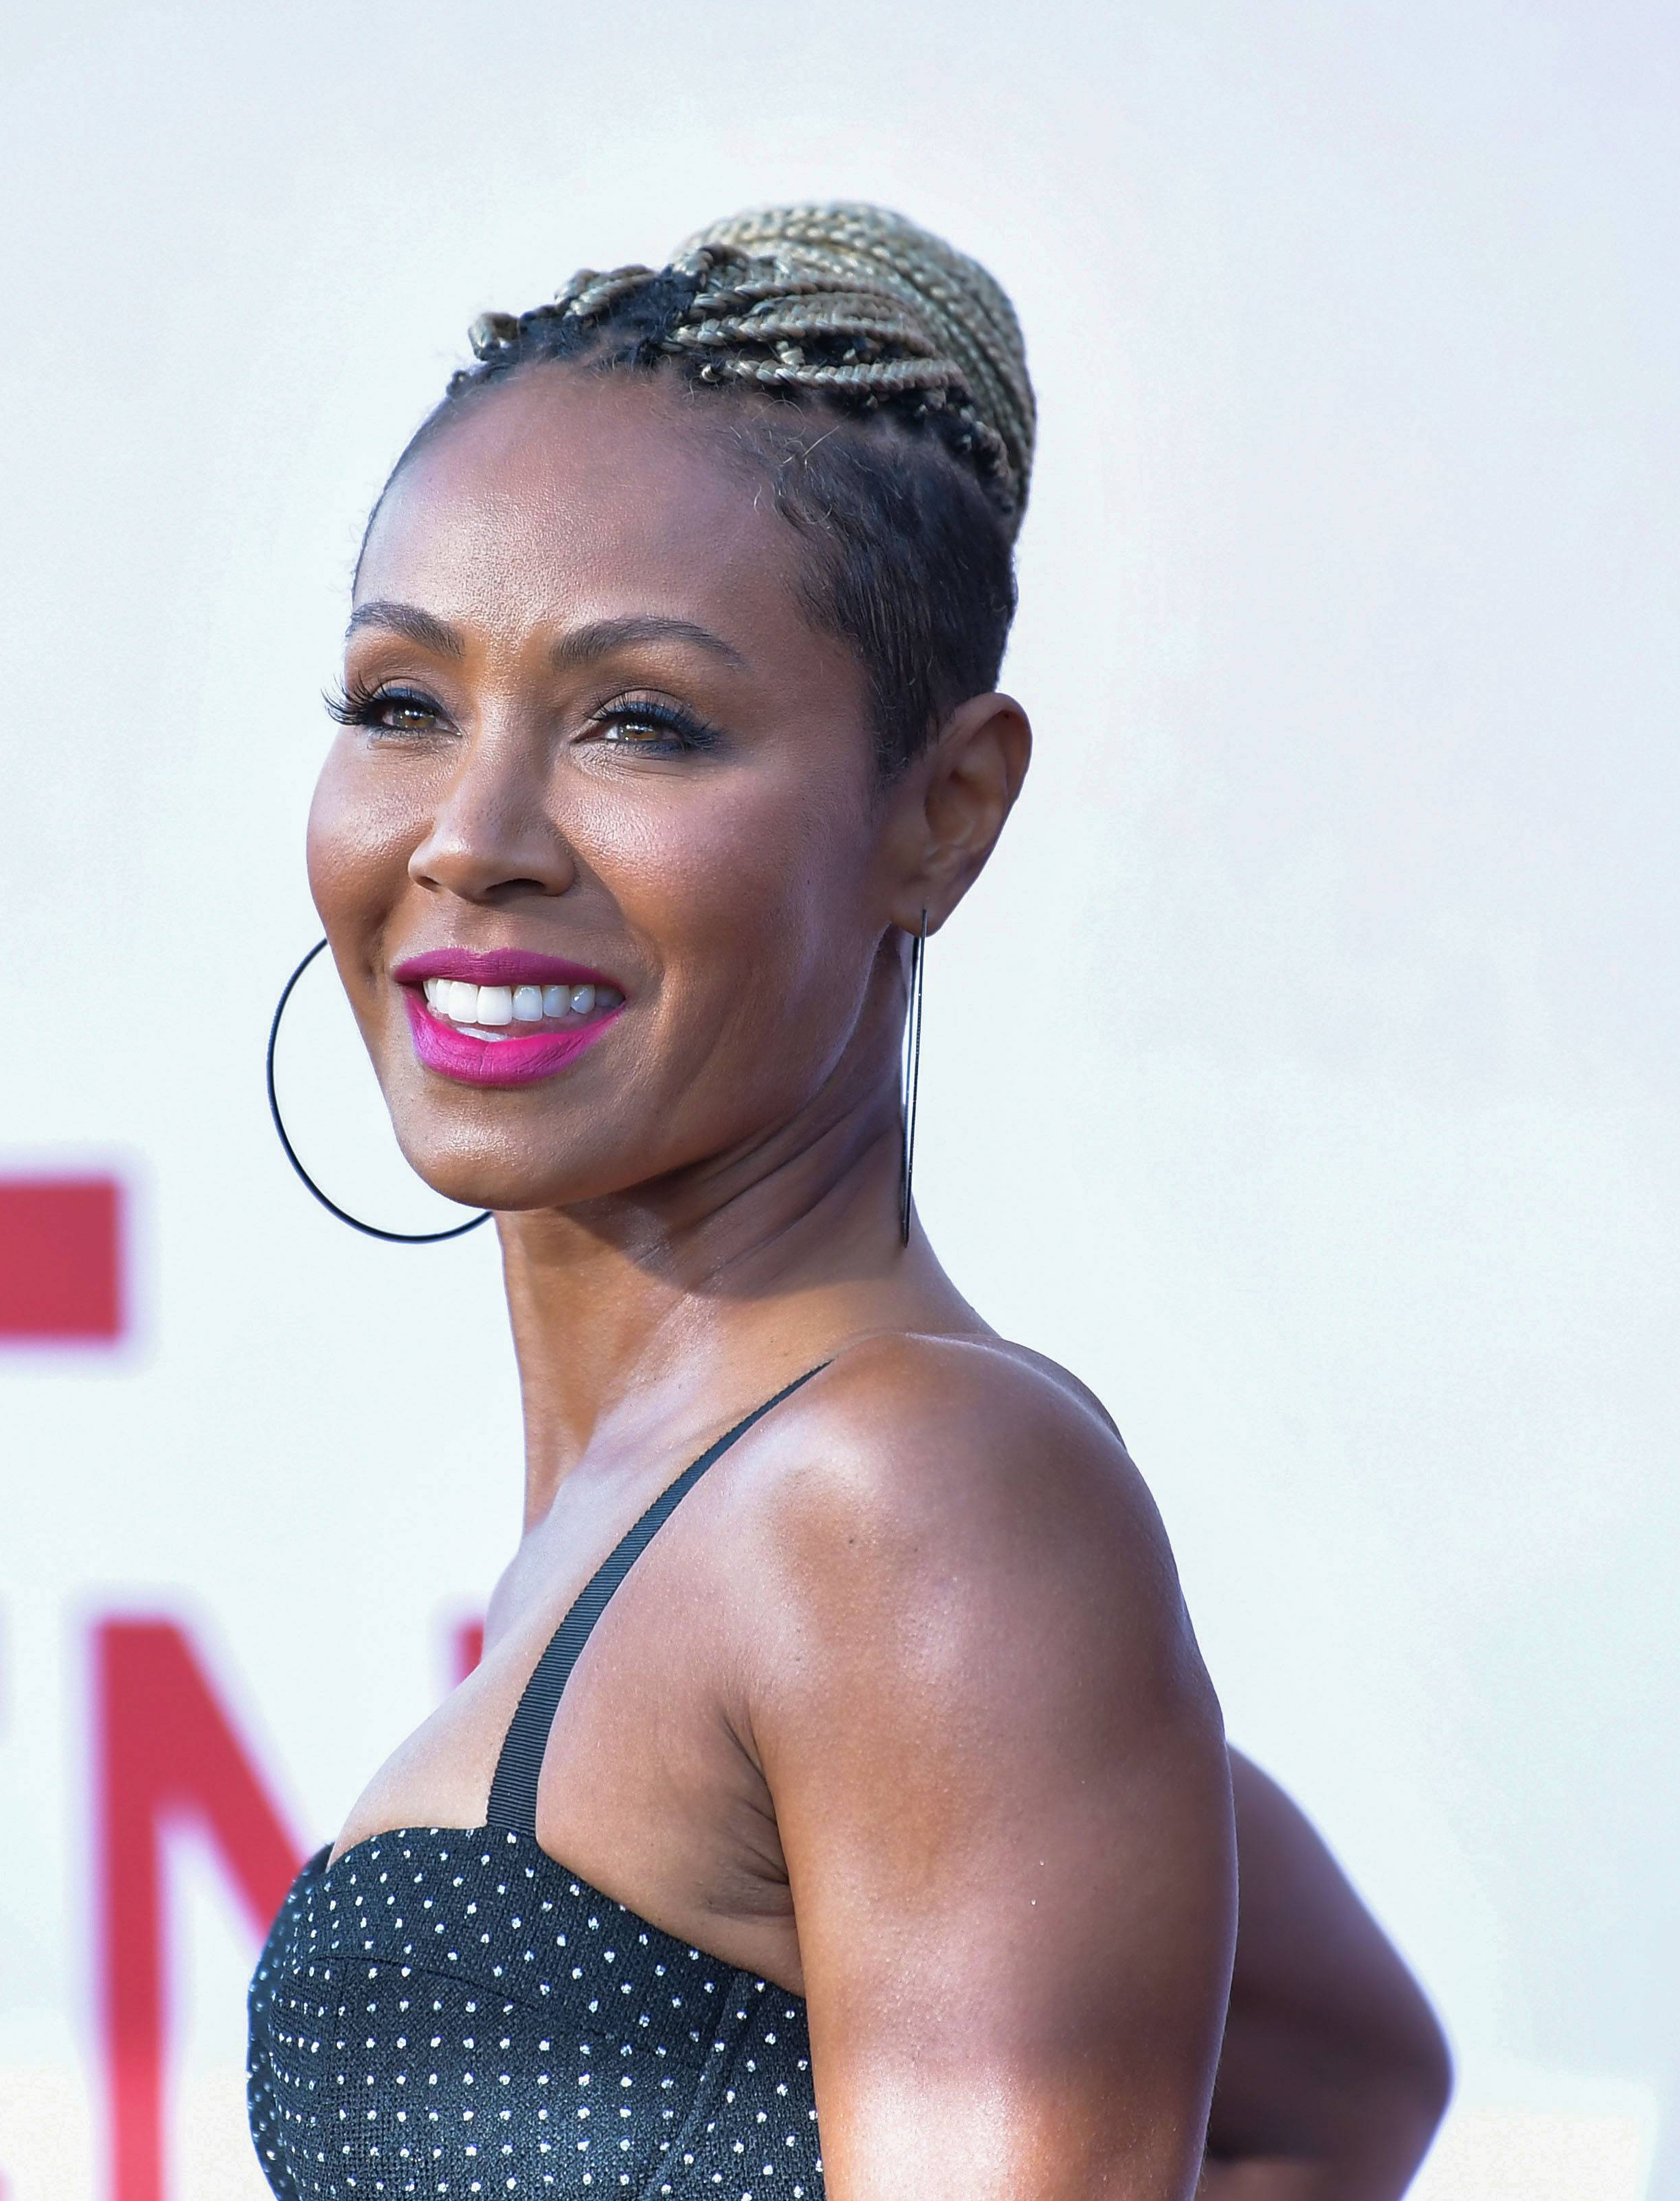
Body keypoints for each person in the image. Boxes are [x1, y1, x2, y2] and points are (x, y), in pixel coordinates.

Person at [248, 203, 1447, 2200]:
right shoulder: (748, 1518)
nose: (472, 836)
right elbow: (1343, 2073)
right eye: (399, 702)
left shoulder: (916, 1500)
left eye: (643, 720)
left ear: (940, 813)